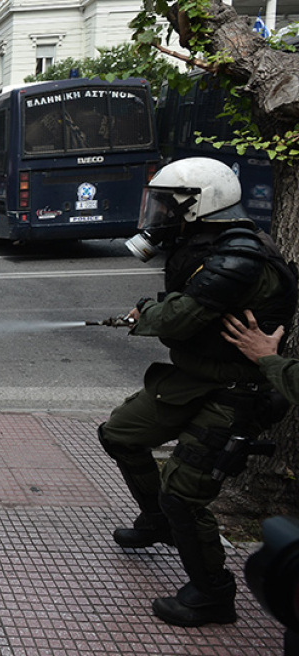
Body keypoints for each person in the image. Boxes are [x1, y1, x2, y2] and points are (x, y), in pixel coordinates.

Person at [97, 158, 298, 627]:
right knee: (120, 435)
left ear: (198, 204)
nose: (161, 213)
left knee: (184, 494)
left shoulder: (239, 259)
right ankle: (158, 522)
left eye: (168, 204)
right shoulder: (207, 242)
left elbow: (179, 318)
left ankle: (212, 594)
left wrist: (147, 311)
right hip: (193, 376)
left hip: (236, 388)